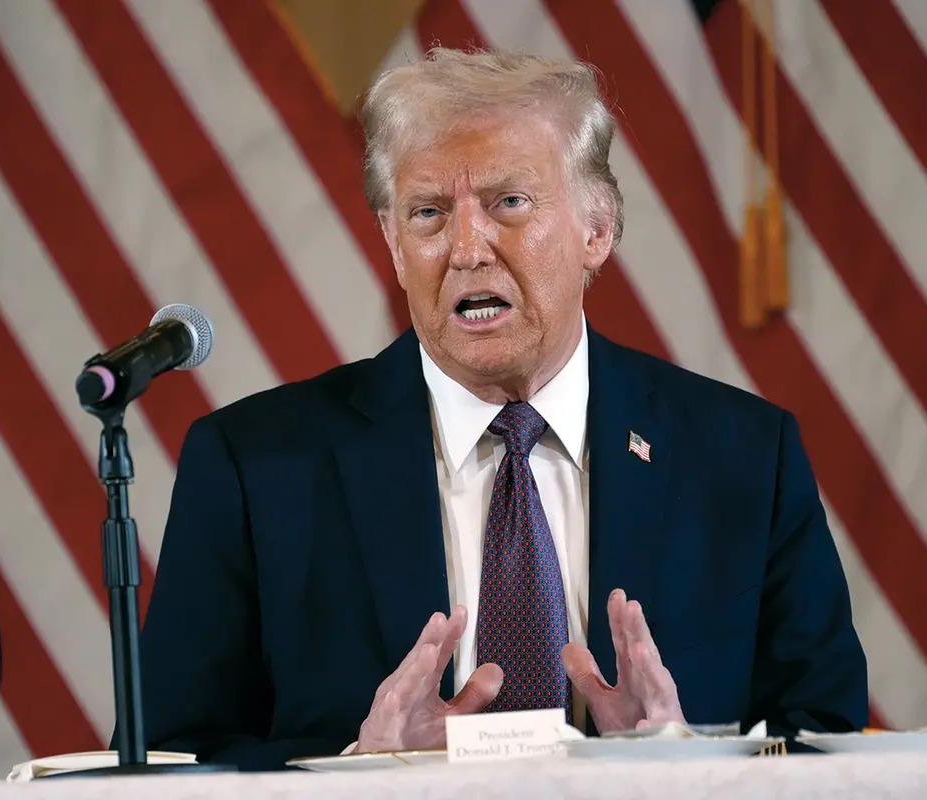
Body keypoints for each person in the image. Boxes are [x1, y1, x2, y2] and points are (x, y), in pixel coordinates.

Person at [134, 47, 868, 770]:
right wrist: (361, 770)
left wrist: (689, 764)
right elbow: (170, 764)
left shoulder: (744, 456)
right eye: (427, 213)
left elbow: (826, 742)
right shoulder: (255, 468)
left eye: (507, 203)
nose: (466, 248)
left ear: (597, 228)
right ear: (393, 243)